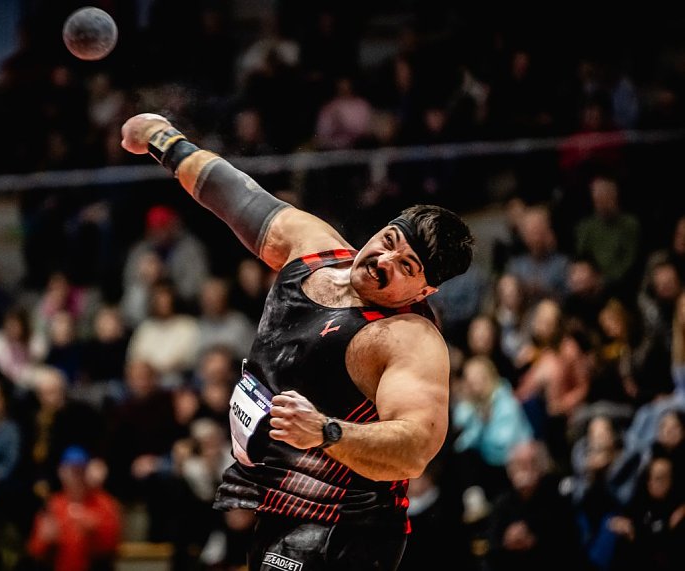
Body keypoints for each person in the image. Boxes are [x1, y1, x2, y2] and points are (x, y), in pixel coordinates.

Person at [120, 113, 475, 570]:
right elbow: (232, 194)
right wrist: (163, 140)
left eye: (406, 266)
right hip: (283, 511)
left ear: (425, 291)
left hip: (345, 531)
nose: (383, 260)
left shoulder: (408, 340)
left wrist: (328, 431)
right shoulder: (313, 248)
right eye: (388, 241)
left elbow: (413, 449)